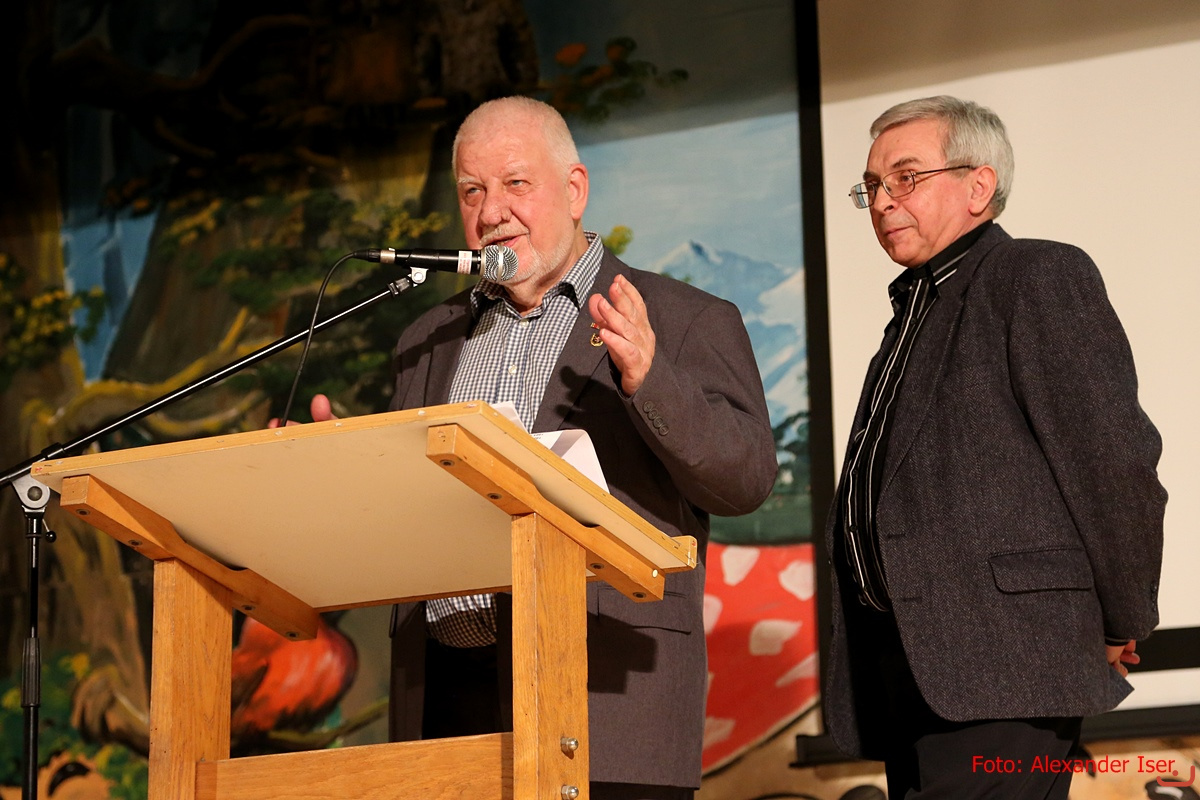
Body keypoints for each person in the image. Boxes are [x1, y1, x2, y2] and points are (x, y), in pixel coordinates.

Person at [300, 96, 776, 799]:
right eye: (472, 191)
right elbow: (407, 512)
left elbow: (746, 480)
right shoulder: (425, 340)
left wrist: (650, 377)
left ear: (575, 190)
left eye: (516, 183)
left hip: (607, 696)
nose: (492, 210)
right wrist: (334, 472)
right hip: (446, 699)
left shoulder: (684, 320)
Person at [824, 95, 1166, 799]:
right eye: (873, 185)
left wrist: (1124, 619)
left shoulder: (1035, 275)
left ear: (979, 185)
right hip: (910, 666)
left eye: (906, 177)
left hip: (1007, 659)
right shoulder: (912, 312)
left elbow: (1114, 463)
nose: (883, 201)